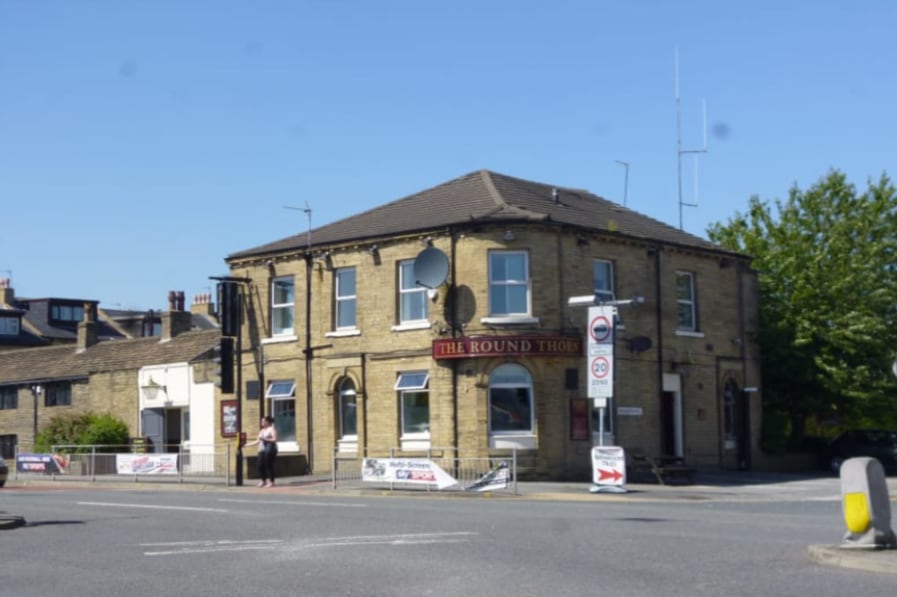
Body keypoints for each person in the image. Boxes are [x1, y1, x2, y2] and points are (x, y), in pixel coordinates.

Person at [246, 416, 278, 487]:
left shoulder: (271, 429)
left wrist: (264, 439)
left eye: (263, 421)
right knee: (259, 465)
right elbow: (257, 441)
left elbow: (275, 439)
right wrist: (246, 445)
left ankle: (271, 481)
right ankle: (263, 480)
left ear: (267, 422)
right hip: (261, 450)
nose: (262, 423)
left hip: (269, 450)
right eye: (262, 421)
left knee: (268, 465)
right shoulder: (262, 430)